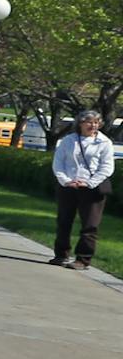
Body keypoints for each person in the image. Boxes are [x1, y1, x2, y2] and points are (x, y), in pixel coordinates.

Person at [49, 108, 112, 269]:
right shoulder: (68, 141)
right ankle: (61, 254)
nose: (93, 125)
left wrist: (90, 183)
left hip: (93, 189)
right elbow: (58, 163)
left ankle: (83, 259)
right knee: (64, 221)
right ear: (80, 123)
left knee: (90, 225)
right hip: (69, 186)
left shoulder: (104, 143)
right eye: (89, 122)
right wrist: (66, 181)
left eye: (96, 122)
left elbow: (107, 167)